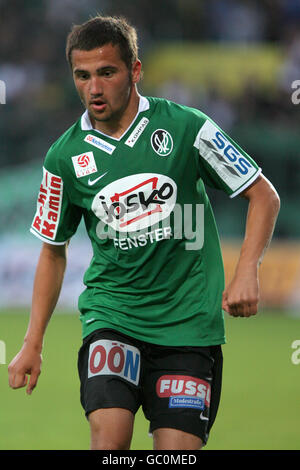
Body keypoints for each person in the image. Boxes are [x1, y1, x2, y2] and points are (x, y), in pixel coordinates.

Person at [8, 15, 280, 450]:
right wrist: (32, 343)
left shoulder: (186, 126)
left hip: (189, 324)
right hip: (113, 314)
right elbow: (53, 251)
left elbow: (263, 194)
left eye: (106, 73)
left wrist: (248, 269)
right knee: (109, 438)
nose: (93, 88)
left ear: (135, 70)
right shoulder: (63, 157)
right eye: (82, 76)